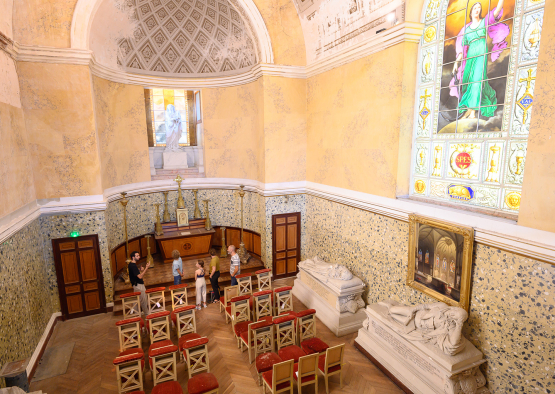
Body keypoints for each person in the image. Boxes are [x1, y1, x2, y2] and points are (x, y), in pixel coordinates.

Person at [450, 0, 509, 119]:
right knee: (468, 81)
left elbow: (497, 10)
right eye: (475, 8)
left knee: (477, 80)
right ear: (471, 12)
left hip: (481, 54)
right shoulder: (466, 30)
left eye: (479, 8)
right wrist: (456, 62)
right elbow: (462, 48)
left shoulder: (484, 22)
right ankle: (469, 109)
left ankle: (472, 111)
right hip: (470, 56)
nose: (477, 10)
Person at [128, 251, 150, 316]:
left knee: (136, 301)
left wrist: (139, 270)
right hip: (139, 286)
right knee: (144, 300)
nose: (139, 257)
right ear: (133, 257)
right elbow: (140, 276)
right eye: (137, 256)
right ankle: (147, 315)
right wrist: (146, 268)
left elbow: (134, 273)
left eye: (138, 255)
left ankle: (136, 315)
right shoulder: (133, 266)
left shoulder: (131, 264)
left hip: (136, 285)